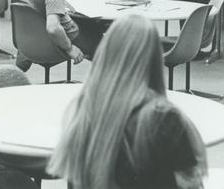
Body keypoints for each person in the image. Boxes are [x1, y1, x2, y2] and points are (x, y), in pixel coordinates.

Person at [48, 13, 208, 189]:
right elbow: (192, 183)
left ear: (105, 53)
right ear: (154, 59)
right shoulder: (164, 117)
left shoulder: (83, 111)